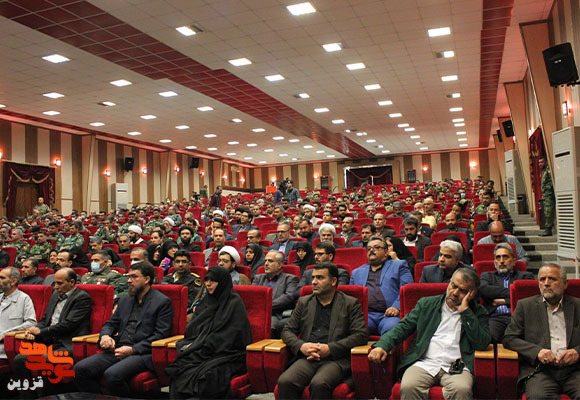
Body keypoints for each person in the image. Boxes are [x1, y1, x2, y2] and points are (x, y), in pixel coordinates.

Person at [369, 268, 491, 399]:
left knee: (461, 389)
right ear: (449, 282)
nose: (455, 292)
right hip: (425, 362)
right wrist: (382, 345)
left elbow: (482, 343)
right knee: (409, 386)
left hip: (458, 367)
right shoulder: (427, 304)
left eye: (463, 291)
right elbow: (403, 328)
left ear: (472, 294)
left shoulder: (478, 312)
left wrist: (466, 312)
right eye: (453, 285)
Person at [73, 262, 173, 397]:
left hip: (142, 353)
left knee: (112, 375)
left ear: (147, 279)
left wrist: (133, 349)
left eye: (134, 277)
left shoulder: (162, 302)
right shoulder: (125, 300)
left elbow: (160, 335)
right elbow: (110, 324)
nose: (129, 280)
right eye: (129, 277)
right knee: (80, 369)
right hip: (118, 349)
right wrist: (105, 336)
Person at [277, 262, 368, 399]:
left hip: (335, 359)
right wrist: (302, 346)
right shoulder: (304, 302)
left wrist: (330, 348)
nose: (314, 282)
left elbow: (360, 335)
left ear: (333, 281)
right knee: (285, 381)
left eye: (320, 278)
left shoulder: (350, 303)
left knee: (319, 384)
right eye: (313, 277)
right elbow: (287, 330)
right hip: (308, 357)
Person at [166, 266, 252, 399]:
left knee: (206, 376)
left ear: (222, 282)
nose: (208, 284)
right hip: (203, 350)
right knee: (179, 368)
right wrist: (195, 342)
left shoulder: (234, 303)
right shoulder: (206, 301)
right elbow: (192, 328)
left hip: (227, 353)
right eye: (206, 280)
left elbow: (232, 335)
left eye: (213, 281)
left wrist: (201, 343)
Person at [503, 263, 580, 398]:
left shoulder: (578, 306)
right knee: (538, 397)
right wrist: (537, 352)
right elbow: (509, 338)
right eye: (542, 279)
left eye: (552, 279)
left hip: (575, 370)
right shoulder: (525, 306)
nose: (546, 283)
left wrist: (578, 352)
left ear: (565, 284)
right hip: (540, 371)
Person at [14, 268, 92, 376]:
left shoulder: (82, 298)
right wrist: (34, 329)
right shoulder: (55, 294)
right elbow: (45, 319)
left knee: (44, 360)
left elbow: (68, 325)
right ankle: (30, 387)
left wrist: (40, 332)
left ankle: (47, 388)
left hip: (67, 343)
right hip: (50, 341)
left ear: (72, 282)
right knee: (19, 359)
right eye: (54, 283)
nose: (55, 286)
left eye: (59, 283)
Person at [350, 236, 413, 336]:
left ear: (386, 252)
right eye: (369, 248)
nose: (372, 250)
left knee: (392, 329)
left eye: (376, 247)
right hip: (367, 315)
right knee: (354, 329)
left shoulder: (399, 266)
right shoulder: (356, 272)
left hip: (390, 315)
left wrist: (396, 307)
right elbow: (352, 297)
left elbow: (408, 290)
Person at [479, 243, 534, 343]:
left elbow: (527, 296)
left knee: (525, 339)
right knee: (489, 339)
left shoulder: (526, 276)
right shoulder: (487, 276)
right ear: (494, 262)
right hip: (495, 317)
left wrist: (504, 301)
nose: (501, 261)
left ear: (514, 261)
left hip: (518, 317)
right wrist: (513, 292)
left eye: (505, 257)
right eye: (498, 257)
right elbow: (484, 290)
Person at [252, 250, 299, 338]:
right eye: (265, 261)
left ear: (280, 265)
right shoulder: (258, 278)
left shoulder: (290, 279)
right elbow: (252, 296)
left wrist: (266, 307)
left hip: (276, 314)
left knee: (269, 327)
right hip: (256, 313)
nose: (266, 264)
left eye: (270, 261)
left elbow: (289, 297)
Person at [0, 267, 36, 358]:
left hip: (6, 346)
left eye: (2, 278)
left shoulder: (24, 299)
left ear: (13, 281)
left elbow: (31, 323)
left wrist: (4, 335)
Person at [538, 156, 555, 236]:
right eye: (539, 163)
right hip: (545, 195)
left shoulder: (548, 170)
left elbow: (551, 182)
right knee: (546, 212)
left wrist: (546, 188)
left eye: (542, 162)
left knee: (549, 212)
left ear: (546, 162)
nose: (540, 164)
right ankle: (547, 229)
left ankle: (548, 229)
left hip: (549, 195)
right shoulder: (543, 171)